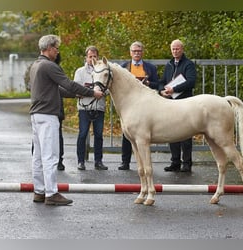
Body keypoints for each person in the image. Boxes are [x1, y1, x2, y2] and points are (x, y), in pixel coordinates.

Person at [29, 35, 103, 205]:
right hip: (48, 115)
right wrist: (92, 93)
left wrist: (77, 94)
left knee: (38, 157)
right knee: (50, 156)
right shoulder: (50, 65)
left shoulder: (36, 65)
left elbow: (57, 90)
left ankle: (39, 191)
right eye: (56, 48)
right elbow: (68, 84)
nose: (57, 51)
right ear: (48, 48)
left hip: (36, 114)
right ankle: (52, 193)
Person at [118, 41, 159, 170]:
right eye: (134, 51)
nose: (136, 53)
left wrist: (148, 83)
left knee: (143, 135)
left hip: (146, 105)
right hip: (129, 105)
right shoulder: (123, 67)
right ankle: (125, 162)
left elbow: (157, 84)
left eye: (139, 51)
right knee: (127, 134)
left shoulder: (150, 68)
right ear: (130, 53)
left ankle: (144, 163)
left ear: (142, 53)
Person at [158, 39, 197, 172]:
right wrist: (161, 90)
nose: (175, 51)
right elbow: (163, 81)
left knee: (186, 133)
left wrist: (174, 89)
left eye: (177, 49)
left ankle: (187, 162)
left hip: (185, 103)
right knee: (172, 132)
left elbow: (191, 82)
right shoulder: (169, 64)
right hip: (171, 103)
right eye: (173, 49)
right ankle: (175, 161)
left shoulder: (188, 64)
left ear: (182, 49)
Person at [74, 46, 108, 171]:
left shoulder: (103, 70)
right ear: (86, 58)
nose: (92, 59)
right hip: (84, 107)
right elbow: (76, 89)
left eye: (95, 56)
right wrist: (92, 92)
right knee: (83, 134)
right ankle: (80, 161)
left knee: (99, 135)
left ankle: (98, 161)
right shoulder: (80, 72)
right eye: (90, 56)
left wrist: (101, 92)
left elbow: (108, 88)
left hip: (98, 107)